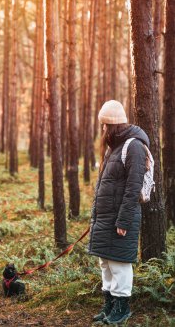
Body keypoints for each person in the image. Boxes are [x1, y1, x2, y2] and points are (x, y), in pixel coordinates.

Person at [88, 100, 149, 325]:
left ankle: (122, 309)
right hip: (106, 218)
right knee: (105, 262)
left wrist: (123, 219)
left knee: (119, 264)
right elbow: (104, 185)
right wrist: (95, 217)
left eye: (105, 125)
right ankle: (109, 305)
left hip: (121, 218)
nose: (103, 130)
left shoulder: (132, 146)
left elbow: (134, 186)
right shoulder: (113, 148)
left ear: (113, 125)